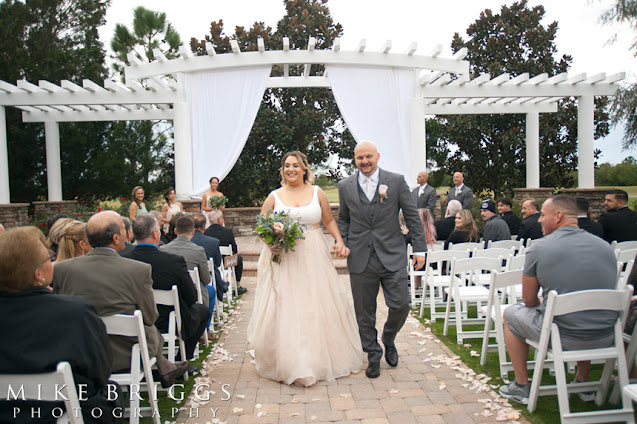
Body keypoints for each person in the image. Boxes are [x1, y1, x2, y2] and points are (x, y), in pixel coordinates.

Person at [248, 151, 363, 386]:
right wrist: (271, 243)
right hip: (285, 257)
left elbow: (328, 220)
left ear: (304, 169)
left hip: (313, 255)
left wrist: (339, 241)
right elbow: (261, 225)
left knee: (315, 301)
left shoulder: (317, 192)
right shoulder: (274, 196)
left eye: (295, 165)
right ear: (283, 170)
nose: (291, 169)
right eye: (286, 166)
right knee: (287, 303)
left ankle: (317, 358)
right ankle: (289, 360)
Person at [499, 196, 618, 405]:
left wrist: (543, 308)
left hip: (562, 336)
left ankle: (521, 385)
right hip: (606, 335)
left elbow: (528, 300)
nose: (539, 220)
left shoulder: (539, 248)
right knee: (585, 310)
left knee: (510, 313)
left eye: (543, 215)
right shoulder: (605, 247)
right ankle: (583, 382)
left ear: (559, 216)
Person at [52, 211, 188, 388]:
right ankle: (165, 365)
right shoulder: (138, 270)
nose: (128, 233)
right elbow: (149, 317)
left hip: (80, 353)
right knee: (149, 329)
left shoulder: (62, 270)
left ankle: (165, 366)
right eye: (125, 229)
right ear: (116, 238)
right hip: (127, 356)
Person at [0, 226, 122, 424]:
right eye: (49, 258)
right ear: (38, 273)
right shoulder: (74, 312)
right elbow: (99, 373)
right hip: (55, 414)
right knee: (109, 391)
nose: (52, 262)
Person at [338, 141, 426, 379]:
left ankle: (388, 337)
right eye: (359, 158)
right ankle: (373, 354)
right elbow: (343, 219)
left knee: (401, 304)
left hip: (392, 254)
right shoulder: (344, 186)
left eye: (368, 157)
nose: (364, 162)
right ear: (354, 159)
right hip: (360, 257)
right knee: (364, 312)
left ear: (377, 156)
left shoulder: (396, 181)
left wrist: (420, 249)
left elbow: (412, 216)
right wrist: (343, 241)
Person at [124, 214, 210, 361]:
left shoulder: (124, 259)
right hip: (169, 320)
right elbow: (191, 297)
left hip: (133, 319)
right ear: (155, 234)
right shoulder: (173, 261)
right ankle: (183, 357)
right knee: (202, 311)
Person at [161, 215, 216, 338]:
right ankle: (203, 329)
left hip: (168, 293)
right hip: (193, 294)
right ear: (192, 232)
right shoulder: (198, 250)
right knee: (211, 290)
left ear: (175, 231)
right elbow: (206, 279)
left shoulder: (163, 249)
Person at [204, 210, 247, 294]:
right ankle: (237, 285)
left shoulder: (205, 233)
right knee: (239, 259)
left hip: (211, 263)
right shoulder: (227, 232)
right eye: (222, 218)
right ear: (219, 220)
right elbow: (234, 250)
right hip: (226, 262)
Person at [191, 213, 231, 300]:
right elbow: (217, 263)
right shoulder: (213, 242)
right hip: (207, 277)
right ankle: (222, 285)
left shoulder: (186, 241)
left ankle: (222, 284)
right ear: (204, 227)